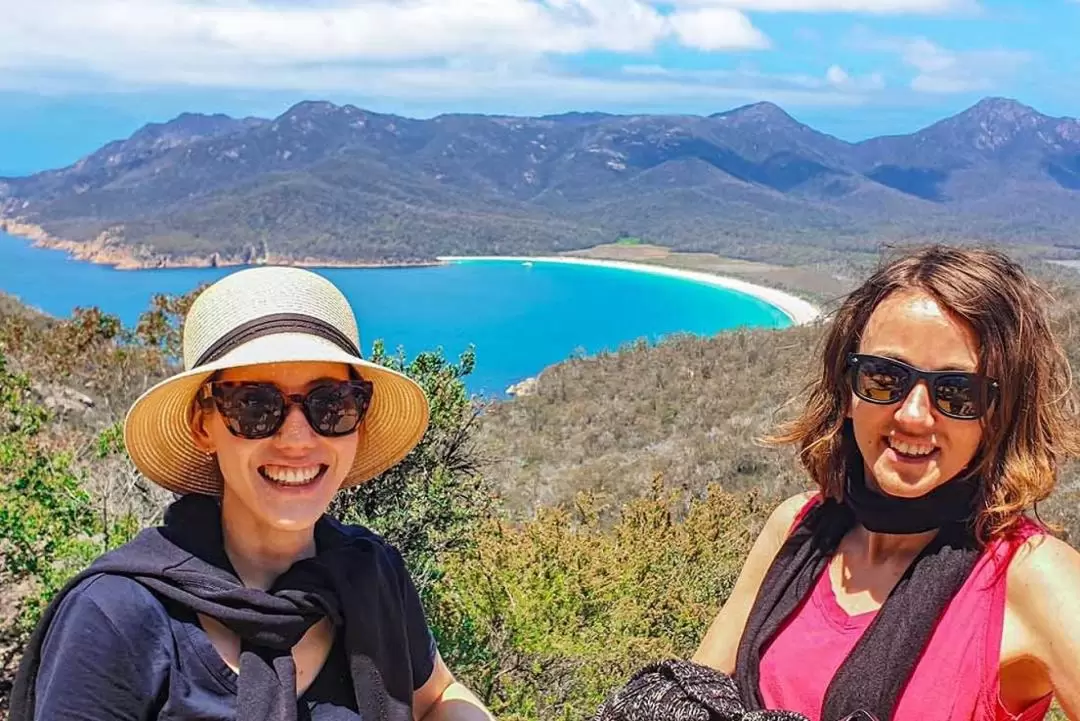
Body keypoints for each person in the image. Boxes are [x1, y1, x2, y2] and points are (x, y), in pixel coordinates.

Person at [9, 266, 495, 721]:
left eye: (332, 404)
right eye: (254, 406)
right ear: (205, 424)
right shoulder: (117, 617)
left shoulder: (371, 574)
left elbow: (436, 695)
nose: (298, 438)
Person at [692, 246, 1080, 721]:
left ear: (1001, 414)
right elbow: (695, 698)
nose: (914, 416)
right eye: (883, 378)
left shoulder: (1031, 578)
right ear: (846, 388)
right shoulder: (797, 529)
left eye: (957, 393)